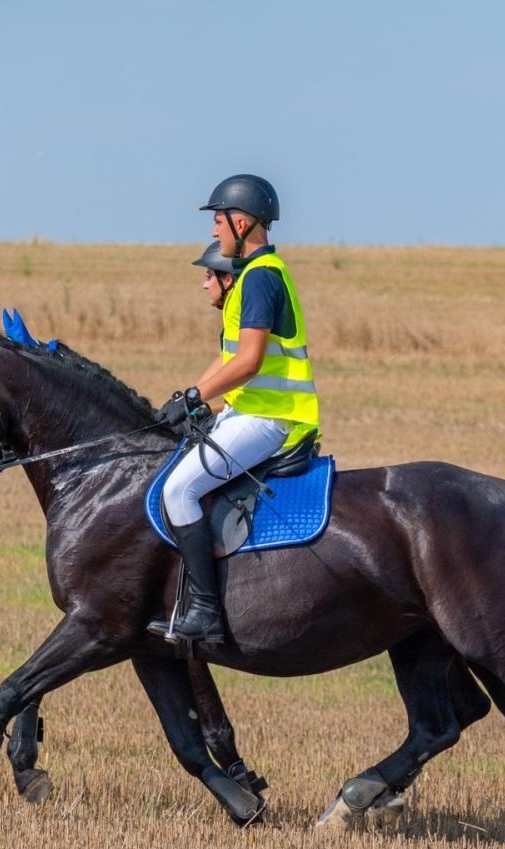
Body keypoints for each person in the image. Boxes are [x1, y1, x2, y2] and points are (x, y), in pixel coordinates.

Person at [148, 174, 320, 644]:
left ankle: (205, 611)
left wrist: (195, 397)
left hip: (269, 420)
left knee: (179, 491)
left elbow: (247, 362)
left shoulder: (261, 277)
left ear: (242, 223)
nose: (213, 233)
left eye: (218, 221)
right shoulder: (252, 276)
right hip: (249, 412)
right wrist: (190, 397)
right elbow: (228, 362)